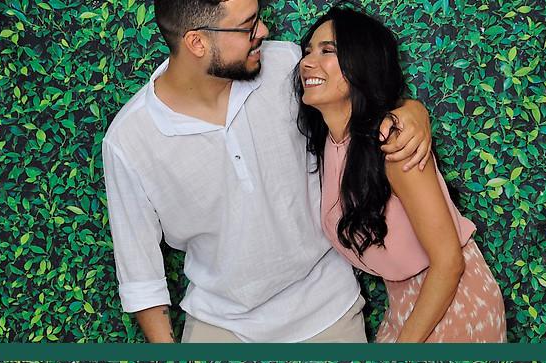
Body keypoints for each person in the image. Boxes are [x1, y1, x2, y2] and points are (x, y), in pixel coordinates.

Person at [102, 0, 432, 342]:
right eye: (248, 26)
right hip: (220, 323)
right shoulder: (127, 141)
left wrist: (410, 110)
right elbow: (142, 279)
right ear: (197, 42)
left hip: (328, 309)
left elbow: (359, 96)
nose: (263, 30)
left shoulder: (289, 64)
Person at [296, 6, 507, 342]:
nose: (307, 62)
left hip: (453, 300)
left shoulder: (394, 142)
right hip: (404, 302)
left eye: (327, 51)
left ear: (361, 63)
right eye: (308, 51)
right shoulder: (327, 142)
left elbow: (449, 263)